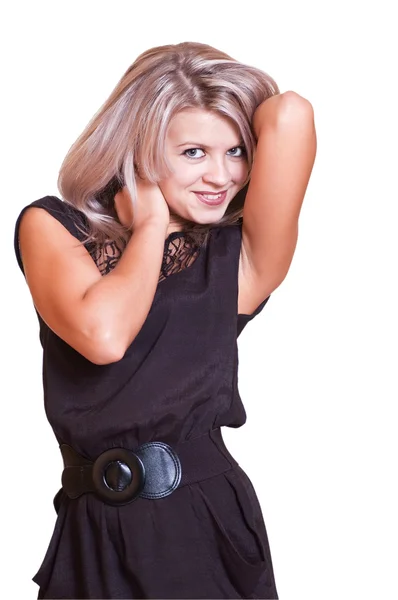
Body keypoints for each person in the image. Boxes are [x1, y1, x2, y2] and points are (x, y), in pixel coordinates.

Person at [14, 41, 316, 599]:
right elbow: (103, 336)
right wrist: (151, 223)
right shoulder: (51, 226)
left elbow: (291, 113)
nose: (221, 177)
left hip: (203, 520)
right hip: (90, 533)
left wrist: (209, 83)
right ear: (142, 151)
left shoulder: (239, 260)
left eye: (237, 152)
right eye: (195, 152)